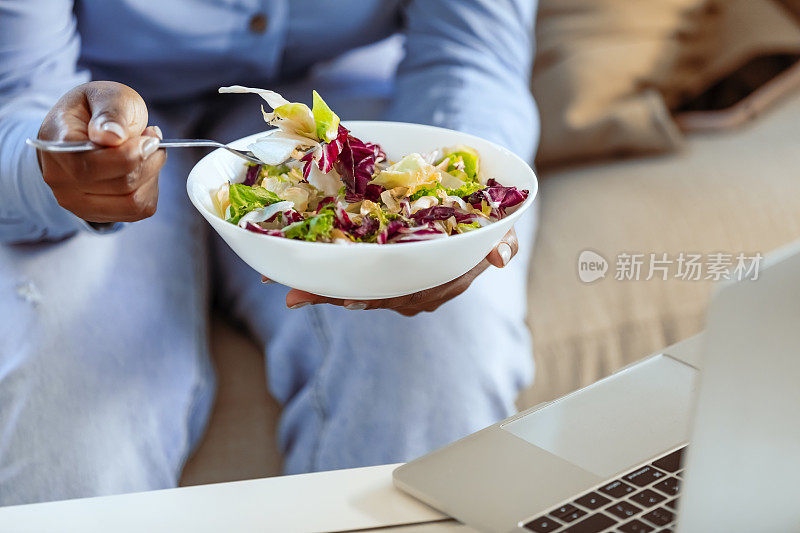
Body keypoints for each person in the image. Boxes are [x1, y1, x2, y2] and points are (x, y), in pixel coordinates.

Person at [0, 0, 539, 506]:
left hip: (345, 89)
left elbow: (470, 53)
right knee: (59, 411)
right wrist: (55, 166)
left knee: (444, 353)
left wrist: (449, 203)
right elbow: (16, 95)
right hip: (93, 107)